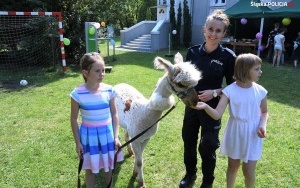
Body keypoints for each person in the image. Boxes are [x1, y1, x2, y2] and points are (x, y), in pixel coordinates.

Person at [179, 9, 236, 188]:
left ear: (224, 33)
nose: (213, 34)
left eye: (218, 31)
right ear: (204, 29)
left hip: (212, 108)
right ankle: (190, 174)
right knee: (189, 141)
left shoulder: (228, 57)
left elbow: (233, 87)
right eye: (210, 29)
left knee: (208, 146)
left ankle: (207, 181)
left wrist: (215, 92)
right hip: (192, 106)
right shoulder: (193, 52)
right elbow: (185, 79)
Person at [194, 53, 269, 188]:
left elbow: (264, 112)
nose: (261, 72)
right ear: (245, 70)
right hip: (235, 132)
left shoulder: (261, 91)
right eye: (257, 69)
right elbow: (217, 114)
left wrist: (262, 125)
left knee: (249, 171)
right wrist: (205, 106)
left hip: (253, 133)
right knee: (233, 167)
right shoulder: (229, 90)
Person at [70, 52, 123, 188]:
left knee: (108, 167)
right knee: (90, 169)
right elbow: (74, 118)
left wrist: (116, 136)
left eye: (103, 70)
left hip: (107, 135)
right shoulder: (77, 94)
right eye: (97, 71)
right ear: (85, 73)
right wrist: (78, 143)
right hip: (89, 138)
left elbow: (115, 114)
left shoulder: (109, 91)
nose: (102, 74)